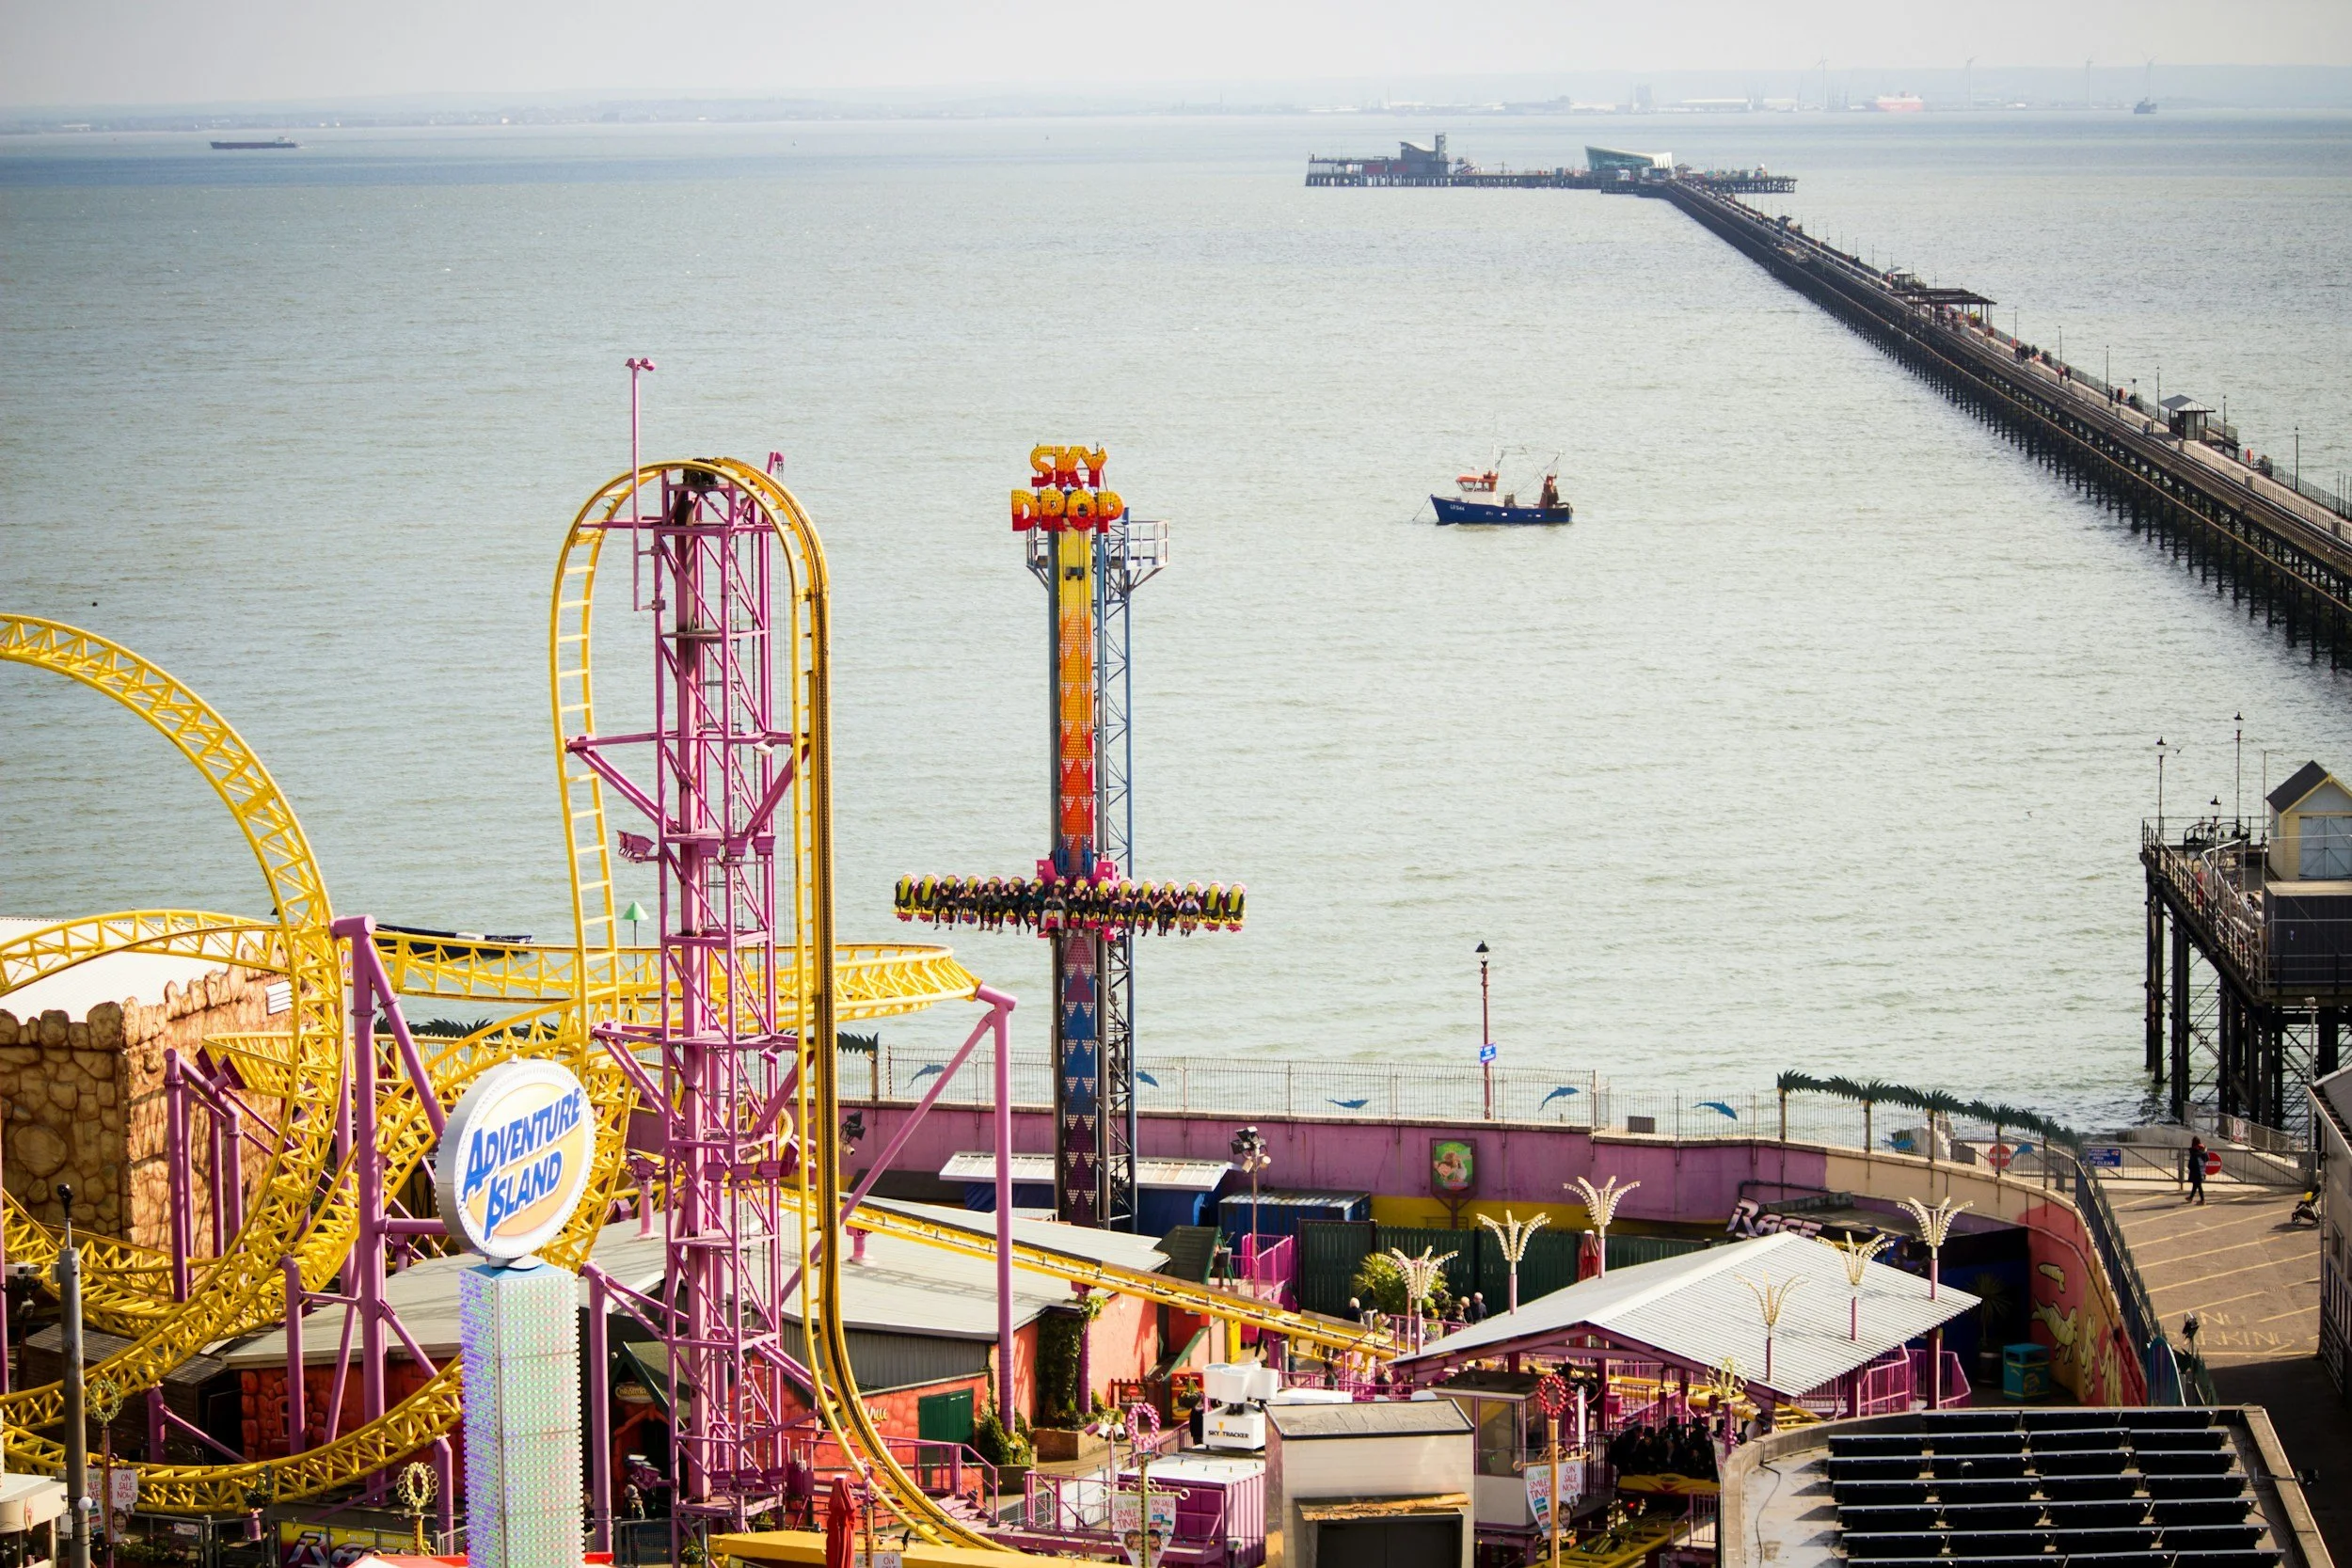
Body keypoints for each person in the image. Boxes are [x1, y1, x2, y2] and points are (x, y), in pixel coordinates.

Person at [2186, 1136, 2208, 1206]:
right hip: (2202, 1170)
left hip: (2196, 1171)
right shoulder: (2203, 1150)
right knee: (2196, 1185)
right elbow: (2207, 1158)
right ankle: (2191, 1197)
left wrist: (2189, 1167)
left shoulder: (2194, 1151)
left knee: (2198, 1185)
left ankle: (2203, 1200)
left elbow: (2192, 1163)